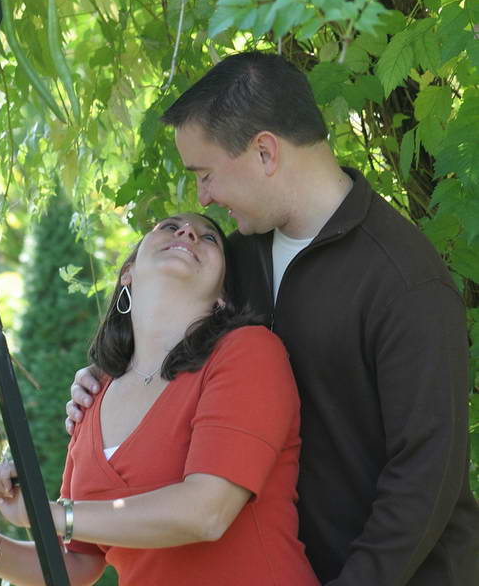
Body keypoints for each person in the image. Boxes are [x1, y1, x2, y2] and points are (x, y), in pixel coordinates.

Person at [68, 53, 479, 586]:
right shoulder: (234, 262)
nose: (203, 197)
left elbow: (427, 475)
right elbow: (171, 355)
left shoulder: (403, 281)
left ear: (264, 151)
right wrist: (104, 381)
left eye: (207, 174)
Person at [0, 212, 319, 586]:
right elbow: (79, 564)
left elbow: (207, 512)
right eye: (170, 227)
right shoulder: (92, 396)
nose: (188, 232)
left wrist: (52, 516)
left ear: (222, 296)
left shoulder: (248, 352)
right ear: (128, 272)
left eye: (208, 239)